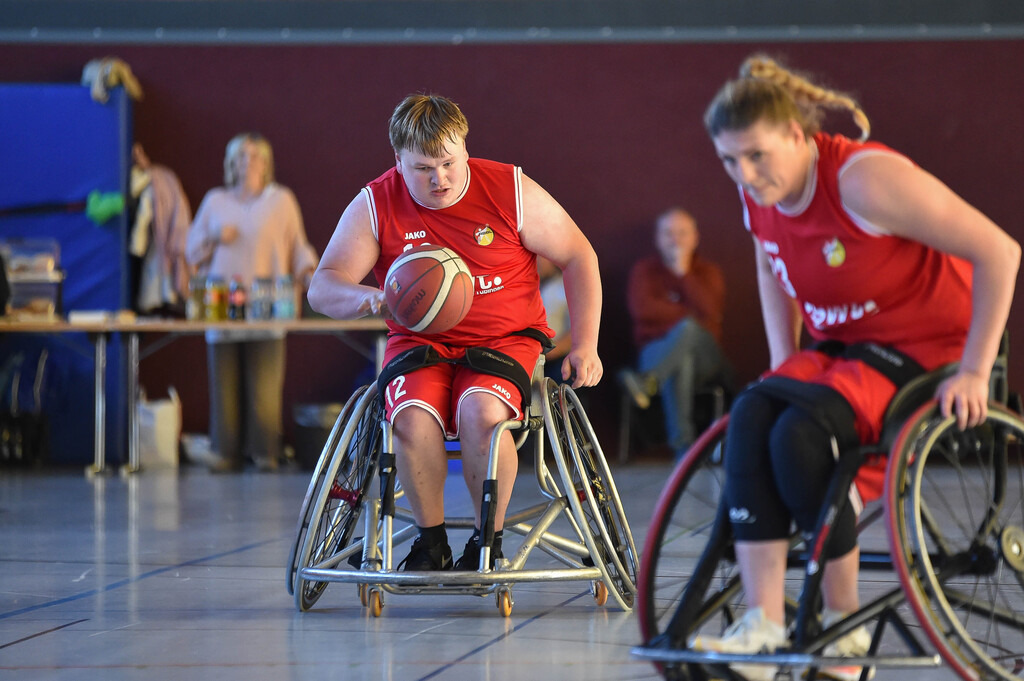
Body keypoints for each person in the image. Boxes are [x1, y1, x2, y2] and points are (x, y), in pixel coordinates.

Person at [691, 55, 1019, 681]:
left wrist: (976, 371)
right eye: (730, 161)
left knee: (802, 433)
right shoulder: (755, 193)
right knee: (756, 409)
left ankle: (844, 632)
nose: (745, 174)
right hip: (844, 344)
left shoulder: (864, 180)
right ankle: (762, 623)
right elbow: (768, 264)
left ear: (797, 134)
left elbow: (1000, 251)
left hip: (931, 348)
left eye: (756, 156)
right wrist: (783, 364)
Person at [307, 94, 602, 572]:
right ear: (398, 161)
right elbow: (322, 286)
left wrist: (586, 344)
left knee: (482, 412)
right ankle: (431, 541)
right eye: (423, 167)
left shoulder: (509, 189)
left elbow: (578, 255)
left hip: (505, 338)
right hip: (419, 341)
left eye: (449, 162)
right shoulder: (378, 202)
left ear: (465, 147)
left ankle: (489, 539)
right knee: (409, 418)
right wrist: (372, 298)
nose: (439, 178)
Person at [185, 132, 319, 472]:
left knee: (264, 388)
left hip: (268, 304)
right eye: (242, 156)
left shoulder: (281, 200)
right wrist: (215, 236)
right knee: (224, 385)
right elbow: (190, 250)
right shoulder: (215, 201)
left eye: (256, 156)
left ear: (267, 163)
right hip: (221, 305)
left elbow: (297, 245)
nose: (249, 162)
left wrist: (309, 269)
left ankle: (264, 454)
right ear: (231, 163)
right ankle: (224, 453)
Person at [620, 207, 732, 456]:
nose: (676, 240)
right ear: (658, 238)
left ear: (695, 237)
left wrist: (683, 274)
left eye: (682, 233)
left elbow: (711, 311)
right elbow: (642, 310)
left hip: (708, 359)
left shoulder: (708, 273)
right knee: (683, 358)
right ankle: (684, 450)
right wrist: (689, 313)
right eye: (669, 233)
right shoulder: (644, 271)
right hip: (654, 351)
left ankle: (647, 382)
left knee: (689, 332)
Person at [537, 255, 572, 381]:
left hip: (554, 359)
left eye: (540, 257)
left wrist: (545, 354)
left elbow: (573, 335)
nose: (535, 261)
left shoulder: (565, 286)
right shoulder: (520, 286)